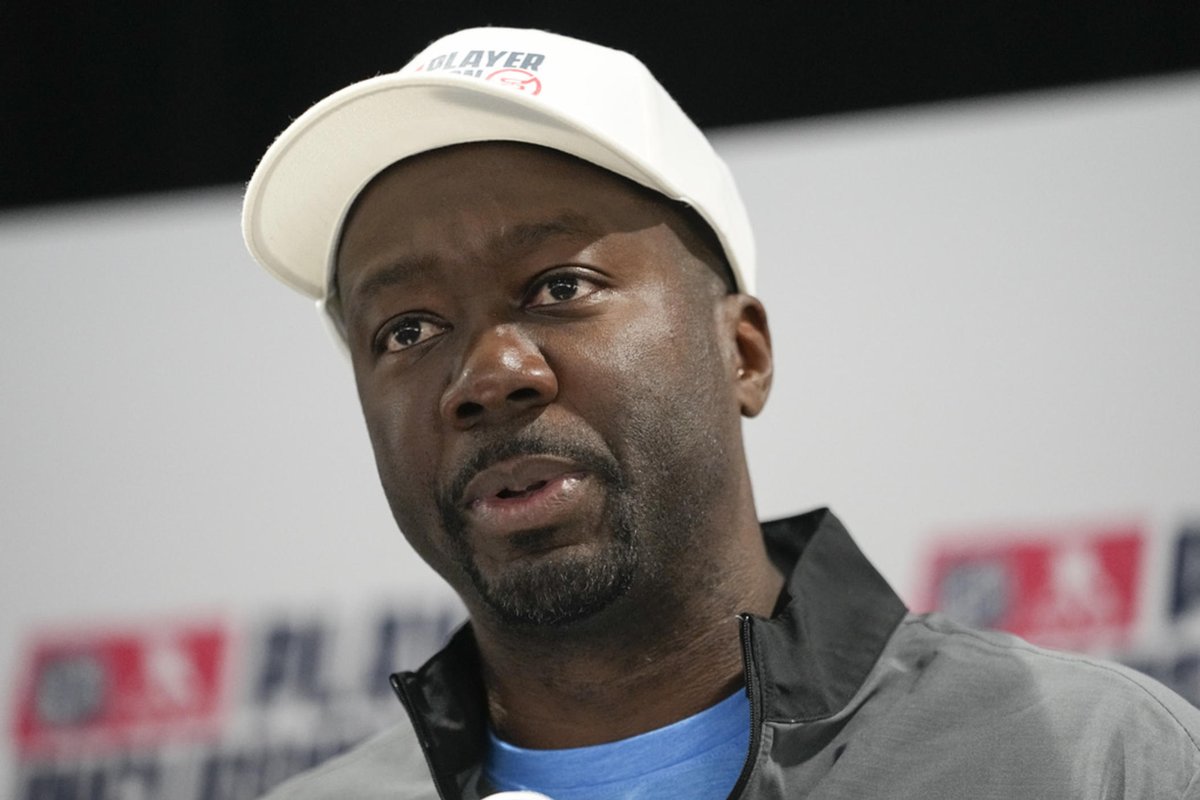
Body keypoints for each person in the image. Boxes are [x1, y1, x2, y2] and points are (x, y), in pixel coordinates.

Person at [242, 26, 1200, 800]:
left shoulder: (1085, 758)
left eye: (560, 286)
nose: (487, 377)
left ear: (743, 352)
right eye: (407, 330)